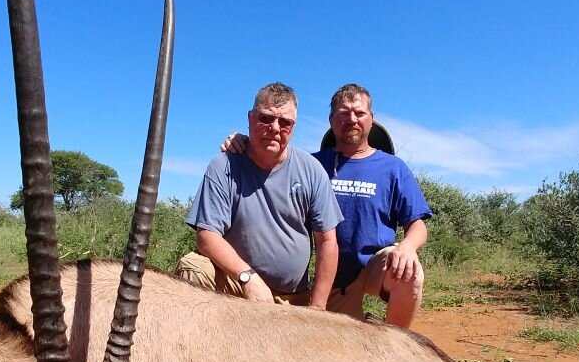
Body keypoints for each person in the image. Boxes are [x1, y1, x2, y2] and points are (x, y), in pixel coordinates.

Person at [222, 83, 432, 327]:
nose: (351, 119)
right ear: (331, 120)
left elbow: (417, 224)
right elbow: (274, 153)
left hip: (374, 266)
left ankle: (397, 343)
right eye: (343, 114)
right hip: (329, 277)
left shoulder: (394, 168)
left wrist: (407, 247)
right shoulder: (313, 165)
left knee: (410, 273)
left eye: (359, 113)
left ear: (371, 119)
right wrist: (243, 142)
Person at [176, 82, 342, 309]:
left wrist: (318, 307)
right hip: (236, 283)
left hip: (290, 297)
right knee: (194, 268)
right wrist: (248, 277)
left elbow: (327, 241)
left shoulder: (311, 170)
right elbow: (207, 236)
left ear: (293, 127)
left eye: (284, 122)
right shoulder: (223, 166)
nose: (275, 128)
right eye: (265, 118)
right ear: (250, 118)